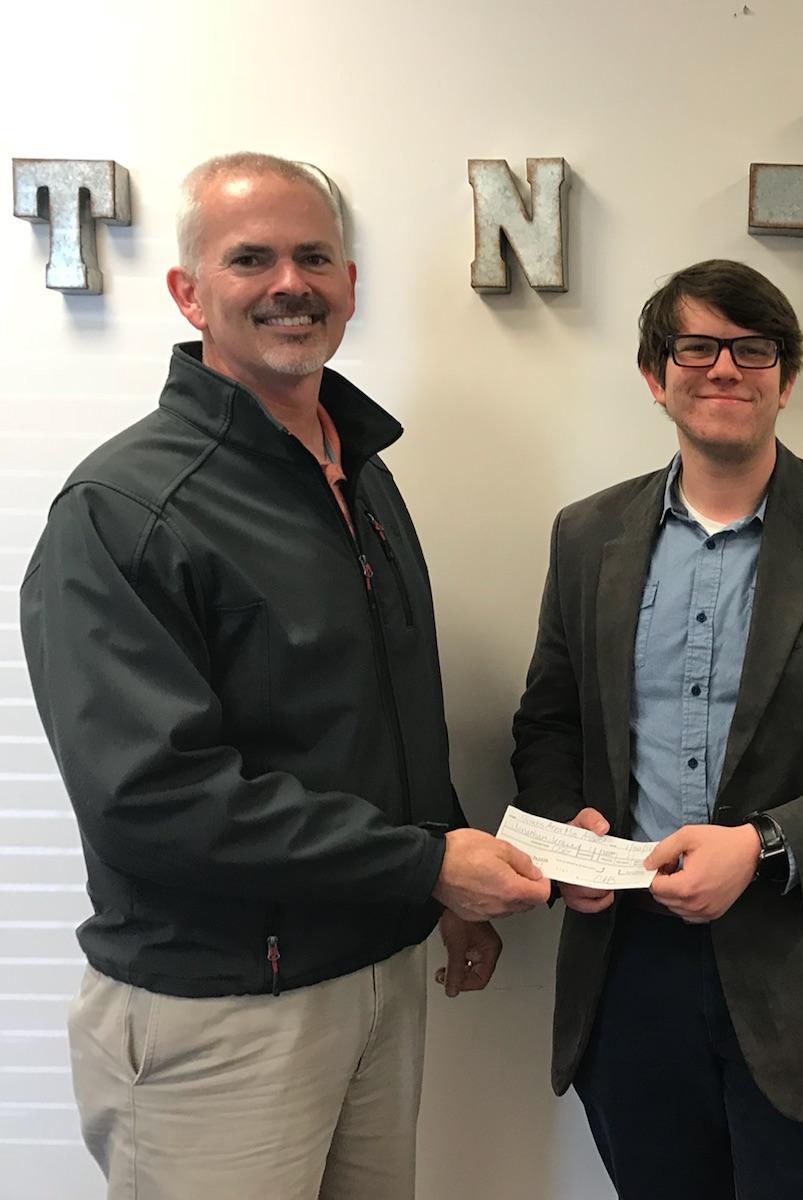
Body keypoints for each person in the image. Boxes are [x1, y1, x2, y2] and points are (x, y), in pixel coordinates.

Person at [20, 152, 549, 1200]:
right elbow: (153, 799)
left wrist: (440, 880)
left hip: (374, 981)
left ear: (350, 284)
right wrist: (425, 865)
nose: (288, 285)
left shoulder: (358, 473)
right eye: (249, 259)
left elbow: (385, 712)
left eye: (313, 257)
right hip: (219, 1014)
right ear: (189, 293)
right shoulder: (125, 510)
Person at [509, 258, 803, 1199]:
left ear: (786, 379)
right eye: (696, 347)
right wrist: (569, 833)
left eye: (752, 350)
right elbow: (549, 724)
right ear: (655, 375)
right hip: (627, 974)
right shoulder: (585, 536)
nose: (724, 369)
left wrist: (761, 848)